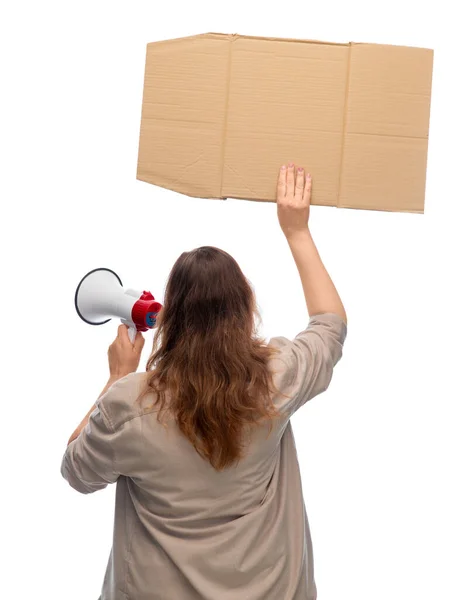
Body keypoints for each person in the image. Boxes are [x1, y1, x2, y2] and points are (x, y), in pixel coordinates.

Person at [61, 163, 347, 600]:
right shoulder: (277, 379)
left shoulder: (128, 404)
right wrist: (297, 231)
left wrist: (118, 376)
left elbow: (77, 472)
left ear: (171, 317)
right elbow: (330, 325)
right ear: (246, 309)